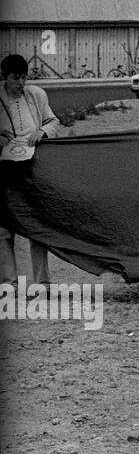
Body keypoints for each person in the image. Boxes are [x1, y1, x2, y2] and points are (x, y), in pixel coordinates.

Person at [0, 54, 60, 285]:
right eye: (16, 78)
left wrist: (42, 132)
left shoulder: (36, 95)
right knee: (4, 230)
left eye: (25, 77)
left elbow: (53, 122)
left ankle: (42, 283)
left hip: (32, 169)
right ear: (6, 77)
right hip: (4, 172)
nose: (21, 83)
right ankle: (8, 283)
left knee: (37, 228)